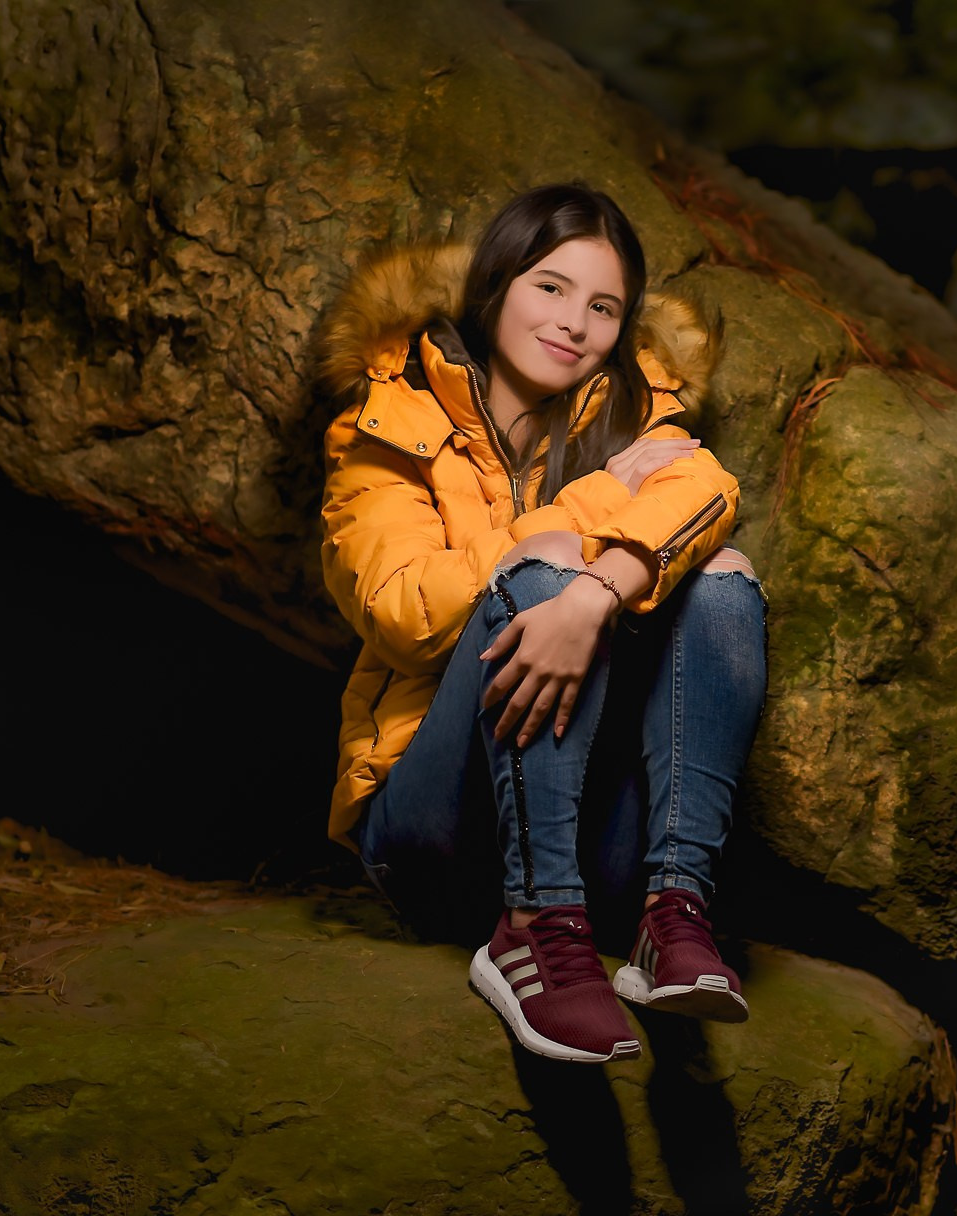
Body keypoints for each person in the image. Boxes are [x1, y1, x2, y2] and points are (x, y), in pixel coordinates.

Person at [314, 183, 766, 1064]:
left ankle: (673, 911)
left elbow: (707, 489)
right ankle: (529, 924)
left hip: (589, 823)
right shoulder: (386, 422)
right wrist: (572, 529)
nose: (575, 324)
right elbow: (403, 608)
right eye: (550, 288)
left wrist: (594, 591)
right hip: (431, 826)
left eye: (604, 307)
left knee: (723, 576)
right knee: (541, 563)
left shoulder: (636, 411)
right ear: (495, 287)